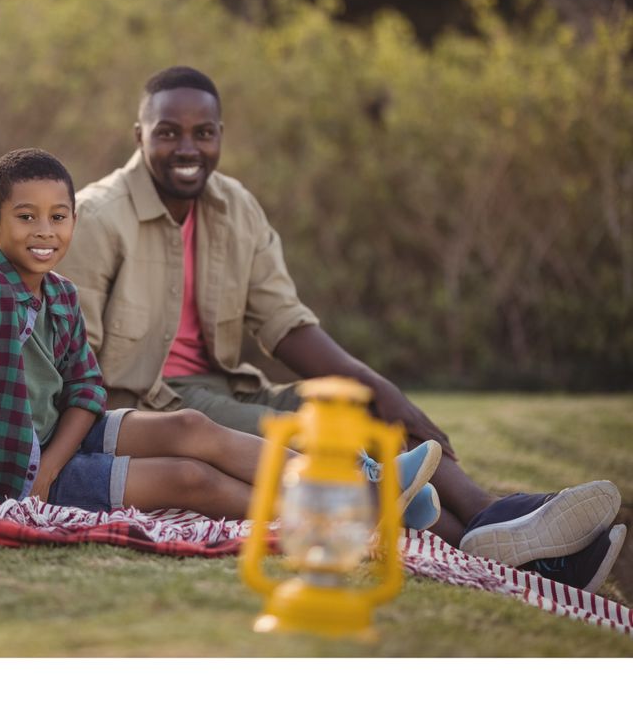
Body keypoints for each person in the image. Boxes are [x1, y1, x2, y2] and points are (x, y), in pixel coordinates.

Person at [60, 66, 626, 592]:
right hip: (151, 404)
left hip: (226, 384)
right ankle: (500, 541)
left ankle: (495, 521)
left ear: (221, 135)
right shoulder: (99, 217)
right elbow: (74, 357)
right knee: (327, 433)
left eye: (203, 133)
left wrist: (375, 386)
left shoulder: (235, 207)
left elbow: (282, 322)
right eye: (168, 133)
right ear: (139, 135)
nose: (187, 148)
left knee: (368, 410)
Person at [0, 148, 441, 527]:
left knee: (192, 427)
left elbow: (86, 390)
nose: (44, 230)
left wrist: (52, 467)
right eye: (25, 216)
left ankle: (362, 482)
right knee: (191, 480)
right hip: (3, 470)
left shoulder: (58, 294)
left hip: (54, 446)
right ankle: (342, 513)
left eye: (59, 217)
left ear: (74, 223)